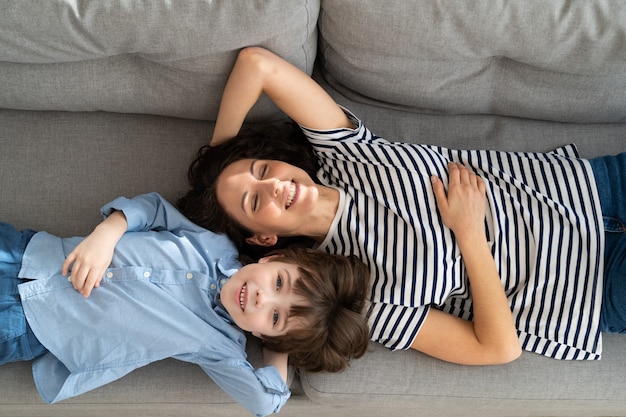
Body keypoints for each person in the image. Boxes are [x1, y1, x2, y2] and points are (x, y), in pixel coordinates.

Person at [178, 46, 626, 366]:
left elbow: (256, 64)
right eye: (254, 201)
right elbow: (498, 349)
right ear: (264, 239)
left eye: (261, 169)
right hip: (591, 284)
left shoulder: (345, 153)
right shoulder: (356, 294)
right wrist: (470, 235)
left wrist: (221, 163)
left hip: (595, 186)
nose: (273, 184)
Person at [1, 192, 370, 417]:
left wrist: (279, 344)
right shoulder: (215, 242)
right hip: (29, 253)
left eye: (274, 315)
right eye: (277, 283)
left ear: (263, 333)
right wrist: (108, 233)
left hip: (30, 326)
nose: (261, 297)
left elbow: (265, 401)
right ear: (271, 260)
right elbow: (155, 210)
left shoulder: (219, 346)